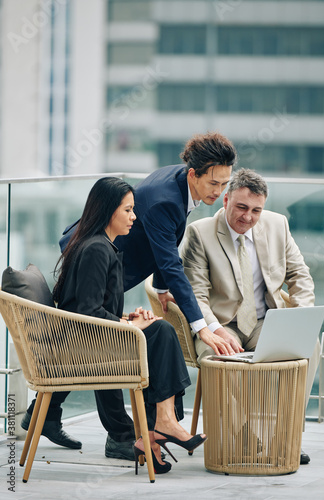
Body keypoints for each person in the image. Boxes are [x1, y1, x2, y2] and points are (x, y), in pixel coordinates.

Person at [23, 131, 236, 458]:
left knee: (114, 334)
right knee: (99, 343)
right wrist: (201, 327)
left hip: (108, 257)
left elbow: (168, 240)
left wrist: (155, 294)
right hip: (101, 255)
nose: (220, 191)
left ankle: (50, 415)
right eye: (214, 184)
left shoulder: (182, 181)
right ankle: (126, 434)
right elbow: (169, 260)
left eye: (225, 184)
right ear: (193, 174)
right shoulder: (163, 200)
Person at [30, 177, 207, 474]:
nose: (134, 217)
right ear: (109, 210)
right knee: (162, 332)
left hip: (90, 338)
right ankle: (161, 424)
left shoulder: (100, 245)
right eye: (128, 210)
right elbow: (87, 312)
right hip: (87, 345)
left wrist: (127, 319)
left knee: (160, 330)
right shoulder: (98, 249)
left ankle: (156, 426)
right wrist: (131, 327)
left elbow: (88, 306)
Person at [180, 168, 320, 465]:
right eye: (241, 207)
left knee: (311, 347)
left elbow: (300, 276)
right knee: (216, 361)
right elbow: (196, 294)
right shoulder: (200, 233)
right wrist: (215, 330)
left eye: (256, 210)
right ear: (226, 199)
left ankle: (287, 436)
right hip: (219, 324)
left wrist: (300, 316)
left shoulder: (277, 225)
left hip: (263, 322)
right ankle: (245, 435)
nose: (248, 217)